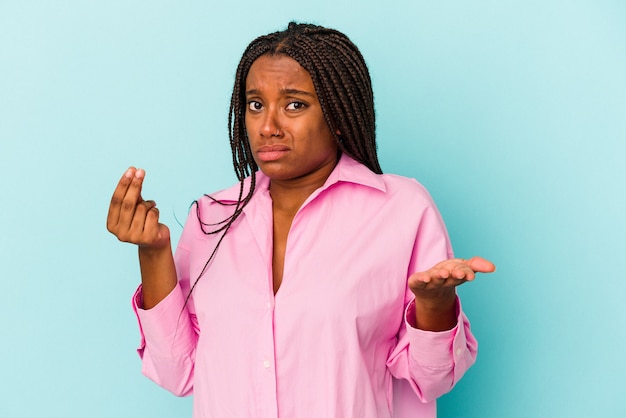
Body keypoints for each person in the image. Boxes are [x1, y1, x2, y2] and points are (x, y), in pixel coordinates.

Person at [107, 22, 495, 418]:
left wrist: (435, 305)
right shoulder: (212, 218)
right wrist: (153, 253)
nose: (268, 126)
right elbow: (180, 373)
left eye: (294, 104)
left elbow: (432, 380)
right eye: (256, 105)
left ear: (339, 114)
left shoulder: (401, 210)